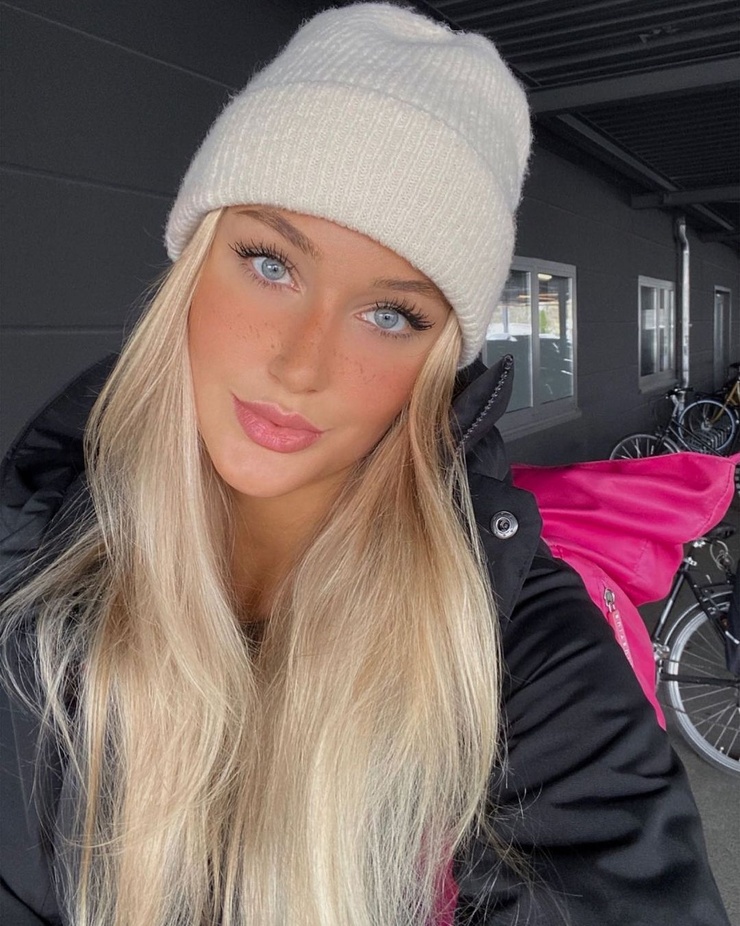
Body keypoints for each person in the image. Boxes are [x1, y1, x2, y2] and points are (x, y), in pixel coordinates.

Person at [0, 4, 730, 925]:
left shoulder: (507, 645)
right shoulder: (29, 554)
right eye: (270, 264)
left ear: (438, 365)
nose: (301, 365)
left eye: (391, 315)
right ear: (193, 266)